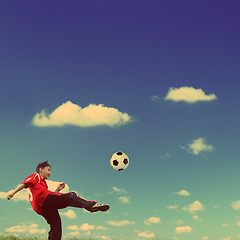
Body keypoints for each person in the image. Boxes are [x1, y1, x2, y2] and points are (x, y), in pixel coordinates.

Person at [7, 161, 109, 240]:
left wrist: (57, 190)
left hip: (41, 207)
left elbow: (52, 197)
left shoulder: (43, 184)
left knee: (56, 224)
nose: (50, 173)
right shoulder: (36, 176)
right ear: (41, 170)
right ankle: (92, 205)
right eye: (48, 170)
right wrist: (13, 192)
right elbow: (25, 184)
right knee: (71, 196)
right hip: (43, 200)